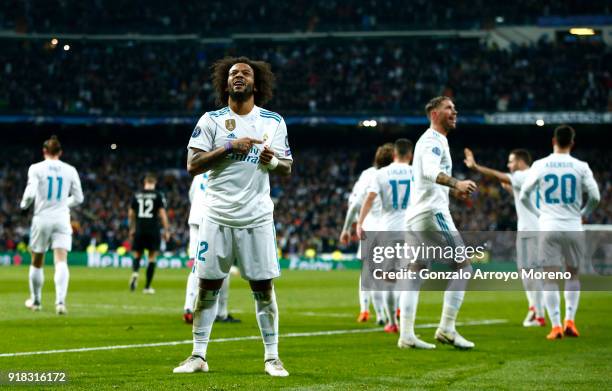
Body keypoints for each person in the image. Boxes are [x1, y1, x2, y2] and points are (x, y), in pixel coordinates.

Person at [173, 56, 292, 377]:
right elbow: (193, 165)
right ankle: (198, 355)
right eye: (233, 74)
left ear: (257, 83)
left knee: (263, 288)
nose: (238, 76)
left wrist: (271, 161)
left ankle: (272, 358)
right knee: (207, 286)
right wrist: (229, 147)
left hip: (256, 217)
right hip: (216, 215)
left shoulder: (273, 121)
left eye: (245, 73)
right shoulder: (211, 120)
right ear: (225, 83)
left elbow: (287, 167)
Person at [398, 96, 477, 350]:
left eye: (455, 107)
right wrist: (457, 183)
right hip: (432, 213)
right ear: (434, 113)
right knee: (463, 265)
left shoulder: (433, 140)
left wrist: (453, 192)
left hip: (416, 214)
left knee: (416, 271)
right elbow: (431, 172)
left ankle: (407, 335)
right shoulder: (433, 140)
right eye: (449, 108)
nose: (455, 111)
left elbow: (426, 179)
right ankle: (446, 328)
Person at [519, 125, 599, 340]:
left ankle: (555, 327)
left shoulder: (540, 164)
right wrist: (583, 213)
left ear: (553, 140)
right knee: (572, 274)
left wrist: (539, 214)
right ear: (572, 143)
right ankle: (570, 321)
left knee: (550, 277)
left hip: (549, 226)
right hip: (573, 226)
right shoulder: (581, 166)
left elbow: (525, 195)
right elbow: (595, 197)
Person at [464, 148, 545, 327]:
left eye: (511, 161)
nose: (509, 165)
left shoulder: (522, 175)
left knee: (531, 271)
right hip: (533, 228)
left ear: (521, 161)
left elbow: (495, 175)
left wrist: (476, 167)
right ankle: (535, 308)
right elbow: (527, 199)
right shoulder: (535, 175)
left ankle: (539, 314)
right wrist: (511, 190)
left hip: (531, 230)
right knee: (526, 270)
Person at [20, 135, 83, 314]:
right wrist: (63, 203)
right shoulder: (70, 170)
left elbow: (30, 193)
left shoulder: (36, 168)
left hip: (42, 218)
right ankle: (60, 303)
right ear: (60, 152)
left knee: (37, 259)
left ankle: (37, 301)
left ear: (44, 151)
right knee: (61, 259)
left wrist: (23, 206)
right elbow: (79, 198)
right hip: (62, 218)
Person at [356, 138, 413, 334]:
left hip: (388, 230)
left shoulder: (380, 174)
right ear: (410, 155)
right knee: (408, 280)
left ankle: (391, 323)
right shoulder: (417, 173)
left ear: (394, 154)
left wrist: (359, 223)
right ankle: (407, 324)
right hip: (412, 230)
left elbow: (369, 199)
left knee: (388, 279)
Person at [340, 144, 393, 325]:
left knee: (369, 274)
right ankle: (391, 314)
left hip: (370, 228)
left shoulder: (368, 175)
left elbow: (355, 204)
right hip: (392, 229)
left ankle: (377, 314)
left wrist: (347, 228)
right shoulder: (401, 174)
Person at [183, 172, 240, 324]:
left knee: (197, 265)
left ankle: (188, 308)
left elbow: (191, 194)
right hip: (216, 220)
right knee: (224, 265)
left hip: (196, 219)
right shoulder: (227, 169)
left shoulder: (200, 172)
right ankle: (221, 313)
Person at [128, 173, 170, 294]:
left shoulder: (136, 195)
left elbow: (130, 214)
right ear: (154, 183)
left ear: (145, 182)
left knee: (137, 254)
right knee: (151, 258)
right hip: (153, 229)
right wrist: (167, 230)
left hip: (139, 228)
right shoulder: (158, 195)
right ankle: (147, 287)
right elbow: (162, 214)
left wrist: (132, 228)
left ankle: (135, 273)